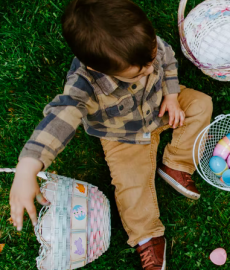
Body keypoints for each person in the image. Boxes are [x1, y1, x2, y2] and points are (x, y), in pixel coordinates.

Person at [9, 0, 213, 269]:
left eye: (151, 59)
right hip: (121, 136)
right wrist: (27, 167)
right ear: (96, 68)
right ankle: (146, 235)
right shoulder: (84, 85)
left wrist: (173, 96)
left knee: (201, 104)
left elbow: (168, 61)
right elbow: (61, 117)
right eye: (140, 72)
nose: (151, 69)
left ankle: (176, 163)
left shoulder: (144, 44)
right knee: (131, 185)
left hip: (161, 106)